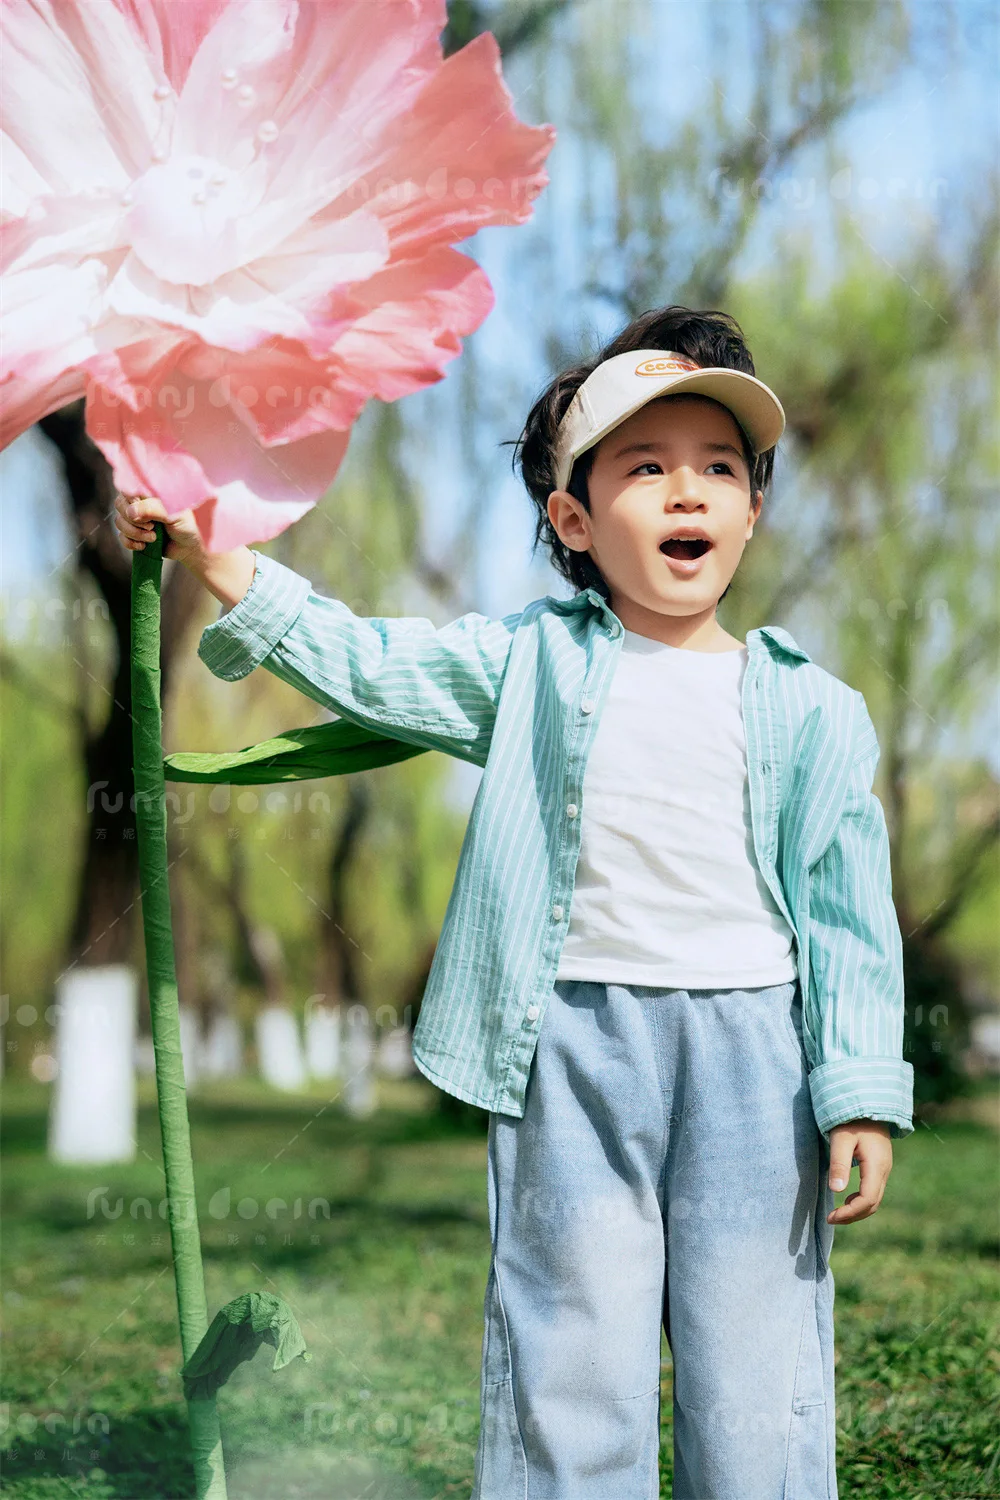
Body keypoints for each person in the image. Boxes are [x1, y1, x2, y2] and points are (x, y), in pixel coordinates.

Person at [114, 304, 914, 1499]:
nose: (687, 493)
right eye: (646, 469)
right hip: (573, 1048)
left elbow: (851, 918)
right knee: (569, 1342)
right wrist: (215, 559)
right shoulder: (530, 663)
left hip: (757, 1057)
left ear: (751, 508)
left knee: (756, 1359)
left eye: (718, 469)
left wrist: (856, 1091)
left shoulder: (812, 708)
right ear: (575, 520)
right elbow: (373, 662)